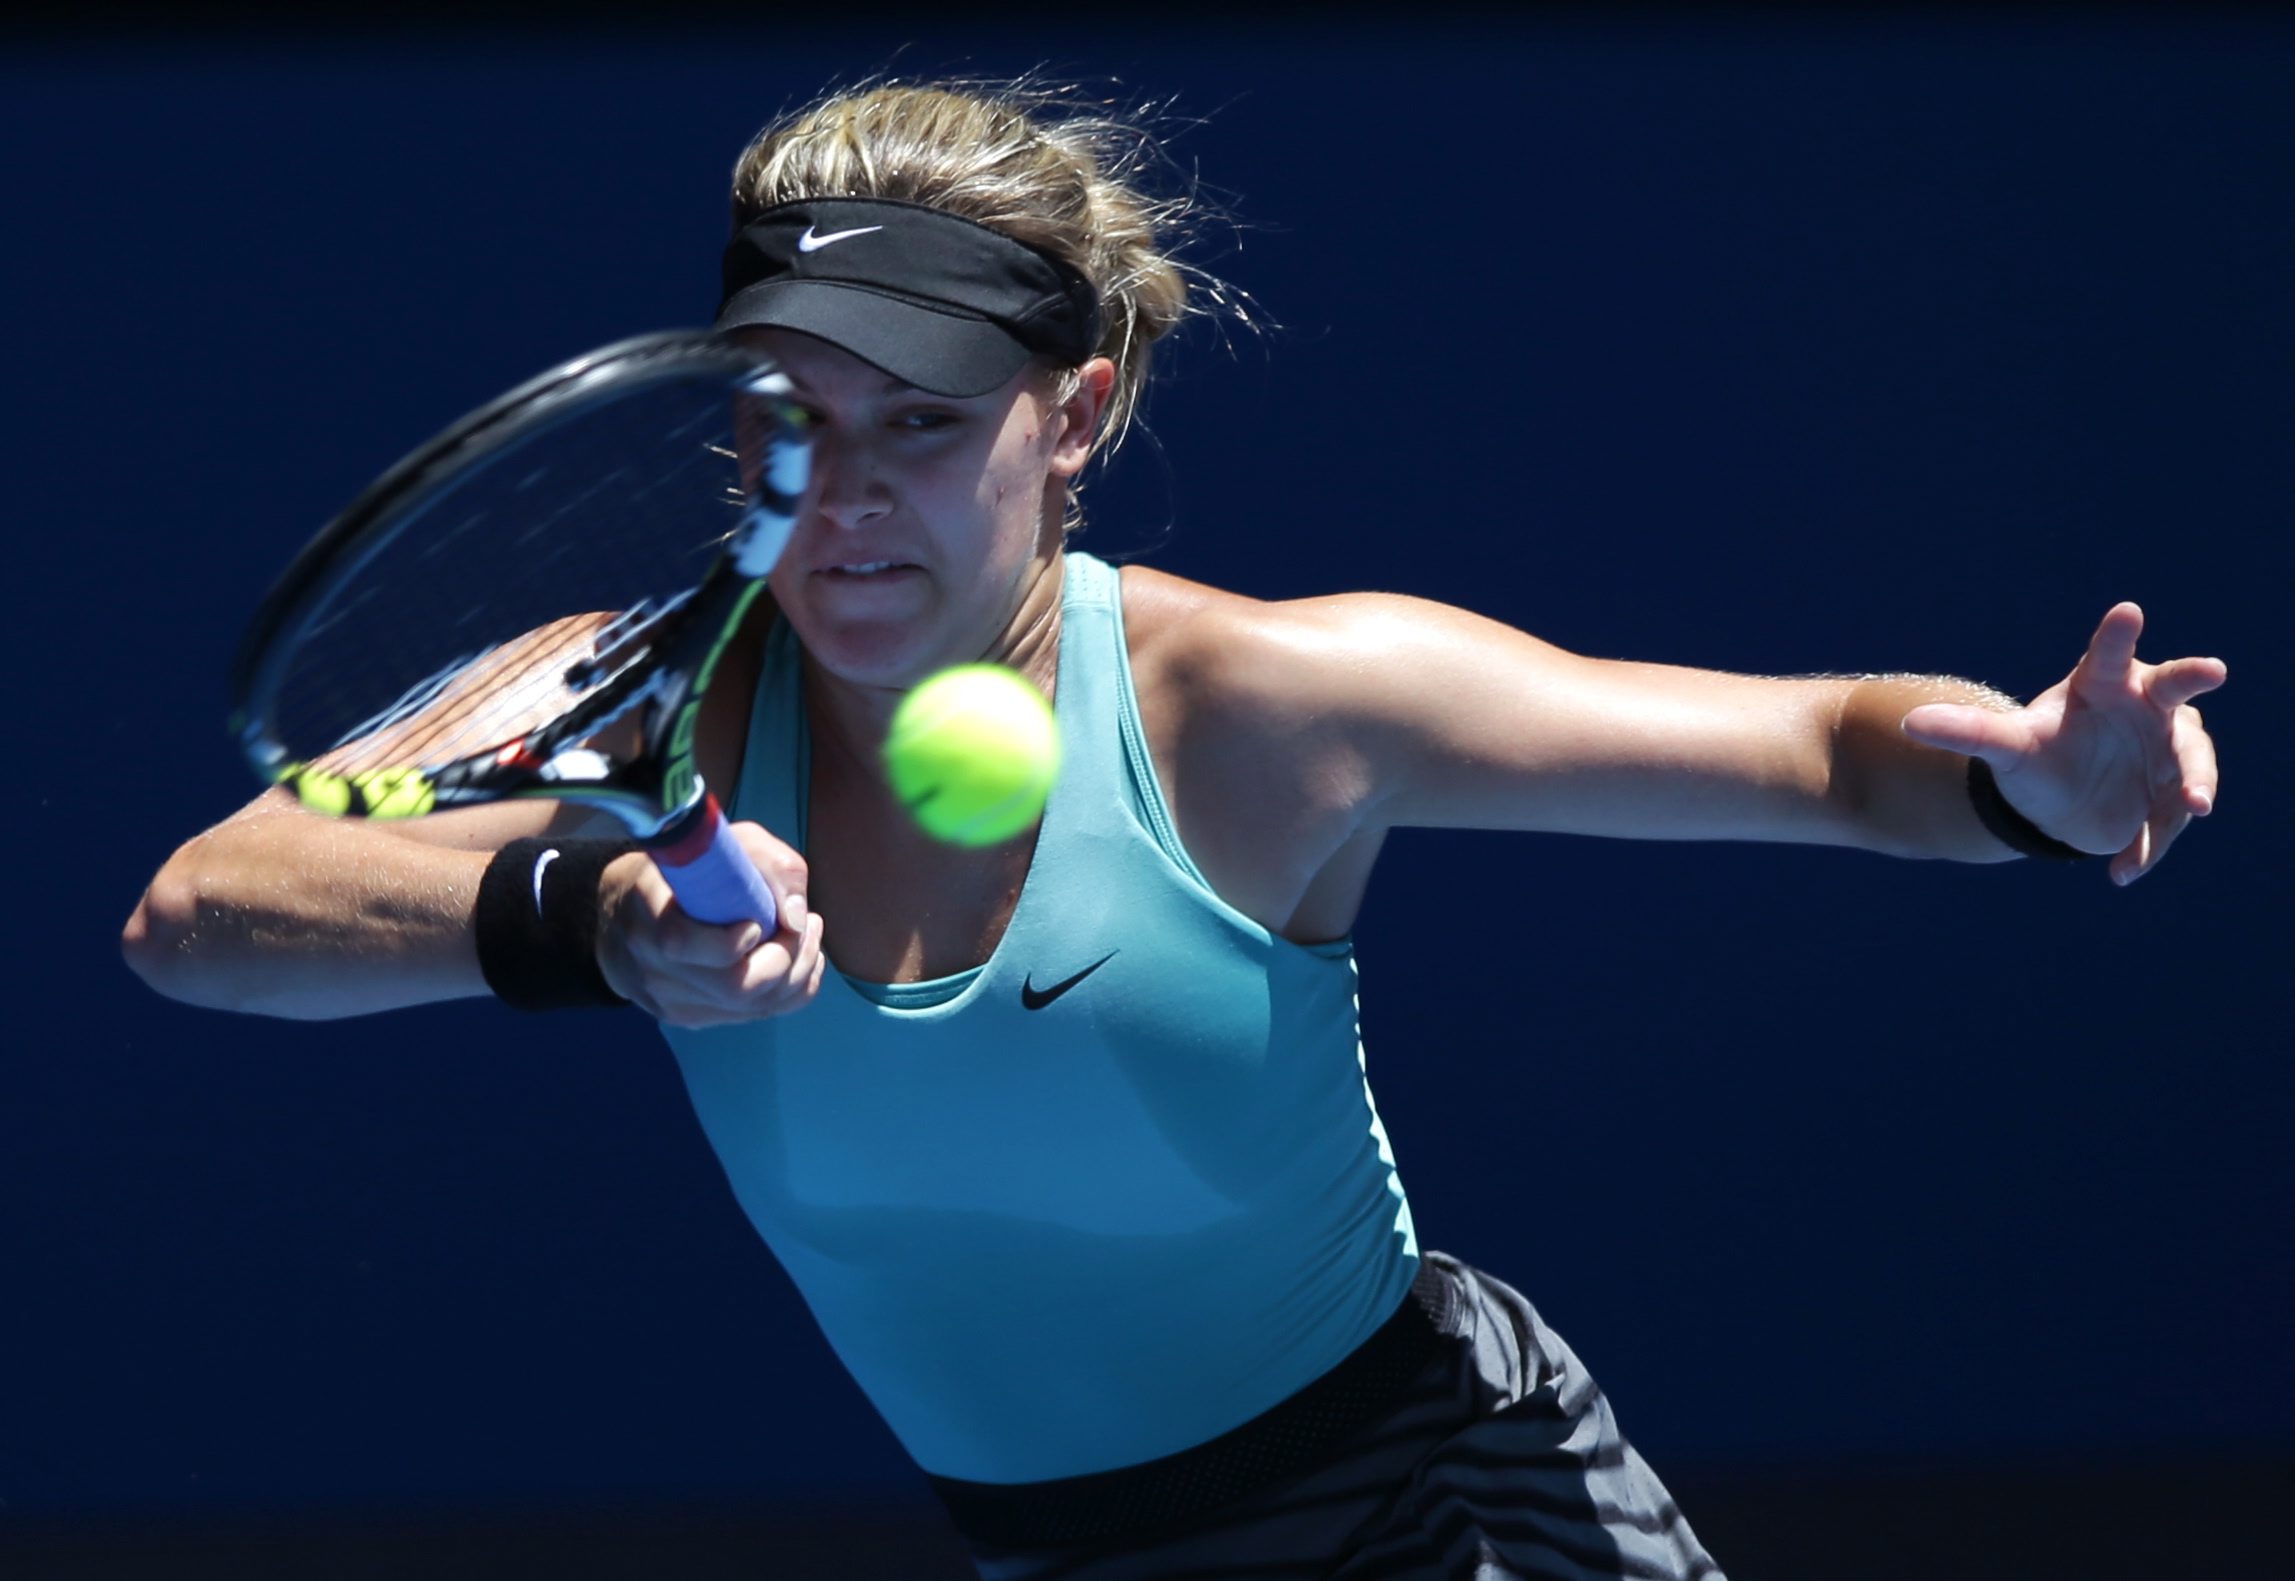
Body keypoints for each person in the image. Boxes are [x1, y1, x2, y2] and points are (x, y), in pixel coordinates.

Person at [123, 79, 2225, 1581]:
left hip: (1435, 1505)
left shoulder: (1261, 706)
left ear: (1081, 413)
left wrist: (2025, 779)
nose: (843, 495)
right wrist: (585, 916)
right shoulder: (640, 685)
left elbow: (1819, 751)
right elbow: (203, 910)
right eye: (788, 415)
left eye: (923, 423)